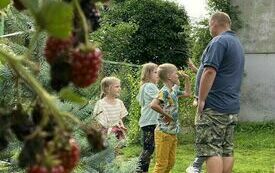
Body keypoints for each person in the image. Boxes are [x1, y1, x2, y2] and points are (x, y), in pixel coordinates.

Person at [195, 11, 244, 173]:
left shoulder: (219, 41)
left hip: (215, 107)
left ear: (215, 23)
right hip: (231, 107)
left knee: (211, 149)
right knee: (226, 149)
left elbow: (209, 71)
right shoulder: (236, 43)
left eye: (210, 25)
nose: (210, 28)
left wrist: (201, 99)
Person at [151, 63, 191, 173]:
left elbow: (188, 94)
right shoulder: (164, 91)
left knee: (170, 163)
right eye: (175, 73)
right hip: (163, 133)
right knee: (161, 164)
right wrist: (167, 115)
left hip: (172, 133)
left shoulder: (173, 91)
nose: (178, 75)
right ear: (169, 76)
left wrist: (187, 79)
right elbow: (153, 105)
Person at [136, 63, 159, 173]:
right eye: (155, 72)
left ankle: (142, 170)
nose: (158, 74)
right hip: (150, 122)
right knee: (148, 149)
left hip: (148, 122)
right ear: (148, 74)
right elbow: (161, 98)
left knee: (149, 148)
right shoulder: (149, 86)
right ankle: (140, 170)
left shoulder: (146, 86)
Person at [186, 58, 207, 173]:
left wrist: (198, 101)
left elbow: (203, 74)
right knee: (206, 141)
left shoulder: (207, 70)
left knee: (207, 141)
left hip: (204, 111)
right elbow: (202, 73)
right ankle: (196, 166)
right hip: (203, 112)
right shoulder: (206, 69)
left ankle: (196, 166)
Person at [93, 76, 128, 141]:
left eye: (120, 86)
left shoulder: (120, 103)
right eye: (117, 87)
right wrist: (110, 130)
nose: (120, 88)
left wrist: (122, 126)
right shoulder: (100, 104)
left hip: (118, 132)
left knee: (117, 150)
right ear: (107, 89)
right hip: (105, 134)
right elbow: (100, 121)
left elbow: (120, 119)